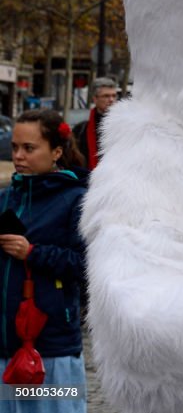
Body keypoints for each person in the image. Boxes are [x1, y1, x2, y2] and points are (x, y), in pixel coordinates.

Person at [1, 109, 88, 413]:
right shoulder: (6, 198)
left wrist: (33, 253)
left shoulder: (77, 200)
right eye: (14, 148)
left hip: (52, 348)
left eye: (29, 148)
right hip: (6, 348)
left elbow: (86, 265)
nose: (19, 156)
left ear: (56, 152)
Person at [72, 77, 118, 170]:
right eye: (106, 96)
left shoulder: (125, 126)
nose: (111, 99)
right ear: (95, 99)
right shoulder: (81, 130)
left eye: (114, 96)